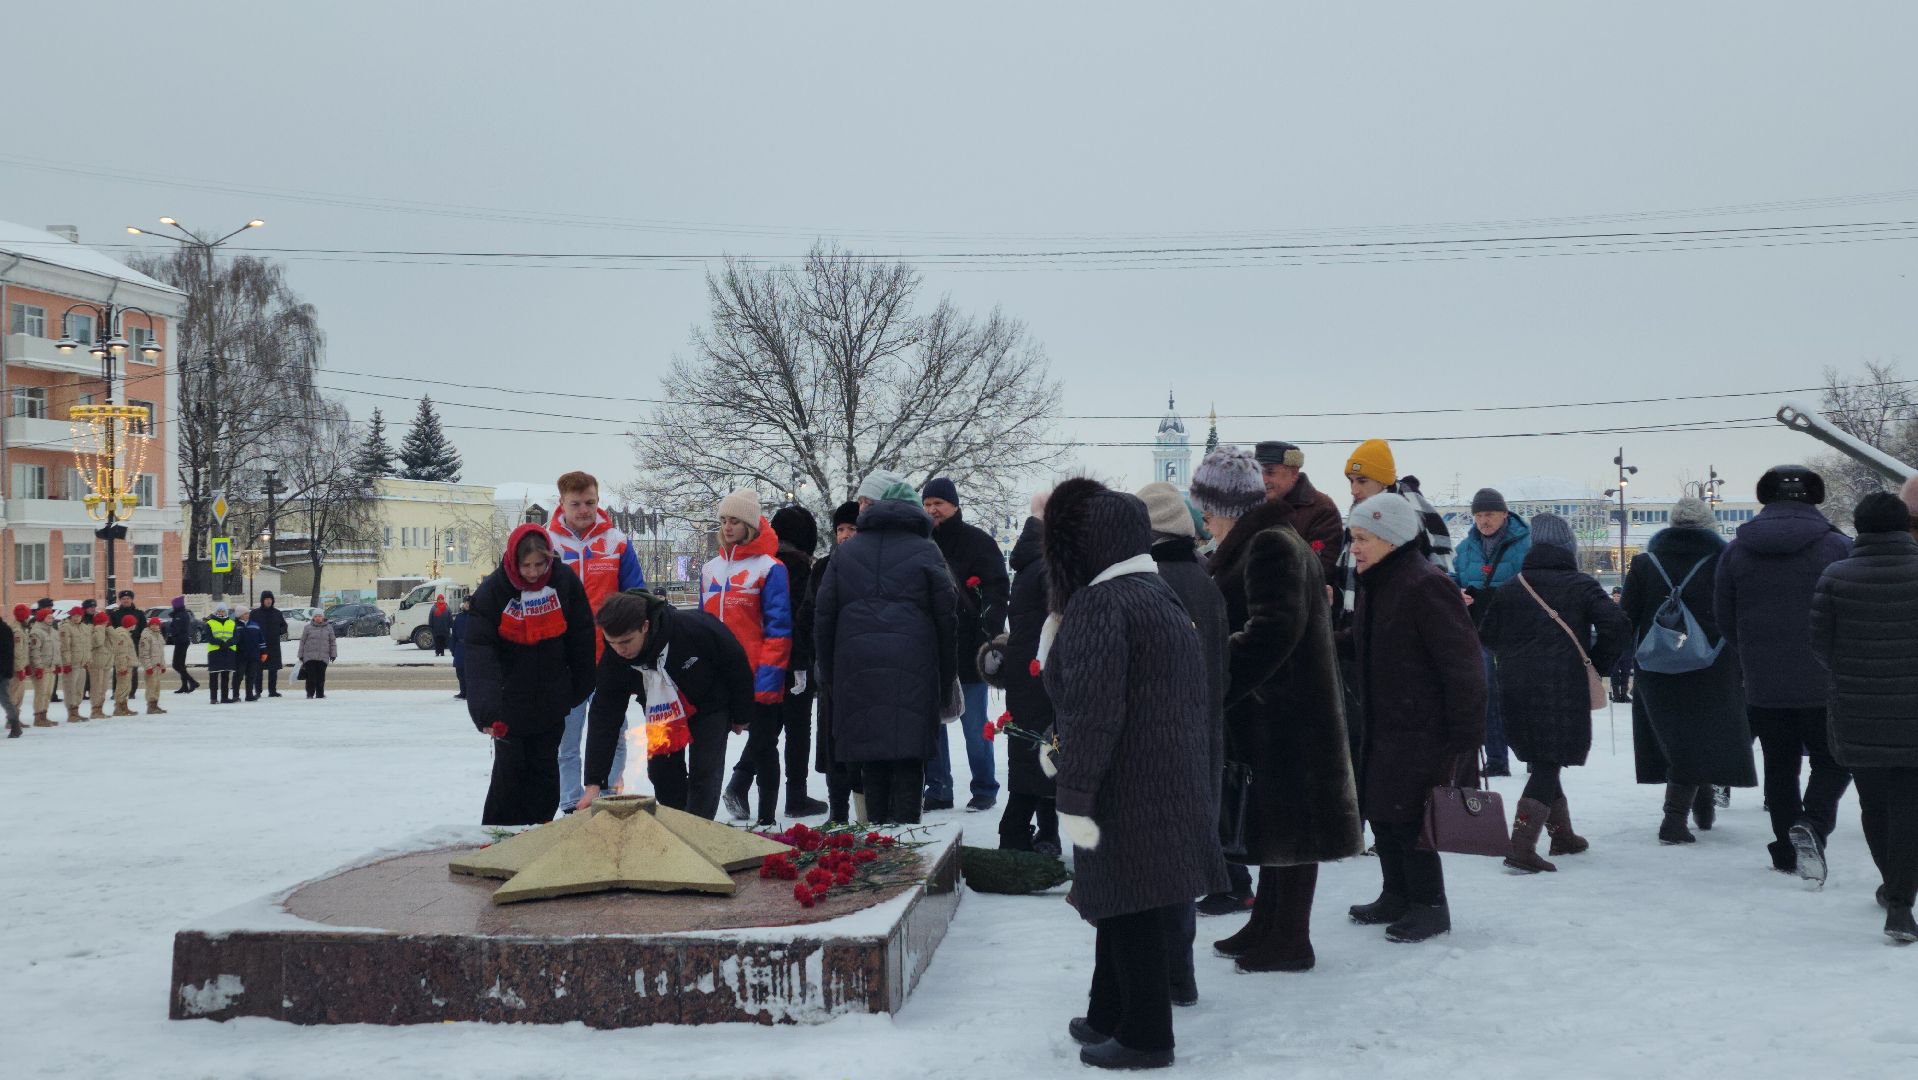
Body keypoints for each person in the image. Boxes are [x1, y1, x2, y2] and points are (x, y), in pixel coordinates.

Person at [1041, 478, 1227, 1071]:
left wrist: (1073, 788)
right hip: (1165, 775)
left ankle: (1146, 1035)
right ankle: (1108, 1011)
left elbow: (1092, 711)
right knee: (1125, 898)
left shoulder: (1102, 603)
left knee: (1132, 908)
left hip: (1126, 780)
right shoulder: (1154, 590)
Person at [1185, 451, 1362, 975]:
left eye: (1207, 506)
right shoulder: (1263, 540)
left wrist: (1215, 674)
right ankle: (1269, 922)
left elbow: (1271, 631)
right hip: (1275, 710)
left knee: (1293, 829)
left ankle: (1291, 939)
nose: (1203, 517)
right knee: (1275, 826)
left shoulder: (1268, 545)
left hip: (1286, 714)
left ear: (1224, 504)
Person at [1345, 492, 1486, 943]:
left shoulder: (1425, 584)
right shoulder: (1380, 582)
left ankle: (1429, 905)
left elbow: (1463, 665)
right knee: (1384, 813)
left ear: (1390, 538)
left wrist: (1463, 738)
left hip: (1425, 730)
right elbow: (1368, 641)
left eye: (1364, 538)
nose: (1355, 548)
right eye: (1353, 538)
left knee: (1412, 820)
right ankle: (1395, 894)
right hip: (1386, 724)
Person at [1714, 464, 1854, 882]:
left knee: (1779, 763)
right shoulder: (1837, 546)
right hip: (1825, 677)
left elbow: (1723, 616)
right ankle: (1812, 825)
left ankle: (1785, 849)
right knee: (1833, 760)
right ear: (1815, 497)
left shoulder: (1736, 551)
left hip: (1763, 681)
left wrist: (1754, 651)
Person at [1477, 513, 1631, 872]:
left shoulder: (1513, 585)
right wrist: (1598, 663)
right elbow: (1618, 625)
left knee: (1545, 757)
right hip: (1563, 685)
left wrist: (1518, 655)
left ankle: (1563, 835)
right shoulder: (1581, 585)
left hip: (1514, 685)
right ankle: (1521, 847)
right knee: (1548, 761)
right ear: (1569, 549)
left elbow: (1486, 636)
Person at [814, 474, 958, 826]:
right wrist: (945, 678)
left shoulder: (845, 554)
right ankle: (907, 855)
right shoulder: (927, 551)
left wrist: (832, 676)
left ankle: (877, 845)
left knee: (871, 764)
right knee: (909, 761)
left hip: (855, 674)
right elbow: (947, 620)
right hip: (914, 671)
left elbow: (823, 618)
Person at [1136, 481, 1233, 998]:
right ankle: (1181, 973)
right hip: (1205, 737)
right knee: (1184, 857)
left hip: (1160, 743)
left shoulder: (1150, 582)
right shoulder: (1204, 579)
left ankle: (1162, 979)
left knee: (1154, 863)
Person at [1812, 492, 1918, 942]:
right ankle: (1899, 899)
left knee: (1874, 804)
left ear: (1859, 527)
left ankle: (1893, 889)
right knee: (1910, 804)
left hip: (1858, 708)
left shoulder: (1836, 575)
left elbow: (1820, 645)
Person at [1624, 498, 1757, 844]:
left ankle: (1700, 805)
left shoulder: (1644, 563)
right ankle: (1675, 819)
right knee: (1705, 733)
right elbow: (1739, 612)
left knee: (1674, 736)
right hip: (1713, 663)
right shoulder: (1723, 561)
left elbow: (1626, 617)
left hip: (1656, 664)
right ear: (1708, 526)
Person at [464, 524, 597, 826]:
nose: (534, 573)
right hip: (508, 706)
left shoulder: (565, 583)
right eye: (527, 565)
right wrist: (486, 709)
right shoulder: (494, 591)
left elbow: (582, 637)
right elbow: (480, 655)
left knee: (545, 773)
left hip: (551, 700)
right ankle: (499, 837)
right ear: (513, 560)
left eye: (541, 564)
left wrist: (579, 687)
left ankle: (538, 833)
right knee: (509, 775)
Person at [580, 589, 756, 816]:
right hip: (661, 712)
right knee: (662, 774)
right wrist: (594, 782)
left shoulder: (692, 628)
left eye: (626, 641)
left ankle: (698, 832)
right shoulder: (614, 660)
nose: (620, 649)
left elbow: (736, 663)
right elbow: (604, 716)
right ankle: (678, 826)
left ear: (645, 626)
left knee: (704, 773)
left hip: (709, 705)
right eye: (611, 642)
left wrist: (742, 715)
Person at [547, 470, 648, 815]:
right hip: (566, 659)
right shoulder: (548, 544)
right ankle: (571, 802)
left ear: (597, 500)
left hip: (610, 656)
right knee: (567, 739)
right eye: (576, 503)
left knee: (613, 731)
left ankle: (607, 795)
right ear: (561, 503)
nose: (584, 510)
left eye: (590, 502)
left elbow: (636, 595)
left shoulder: (616, 542)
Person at [724, 505, 828, 818]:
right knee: (798, 729)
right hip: (792, 659)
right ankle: (796, 795)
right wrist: (800, 663)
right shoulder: (797, 567)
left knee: (768, 727)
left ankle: (740, 782)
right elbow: (797, 620)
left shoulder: (761, 564)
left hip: (763, 660)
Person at [920, 476, 1011, 814]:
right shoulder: (920, 542)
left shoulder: (978, 542)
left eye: (938, 504)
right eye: (927, 505)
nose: (932, 510)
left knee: (975, 727)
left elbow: (997, 590)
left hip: (969, 649)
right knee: (933, 728)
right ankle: (939, 788)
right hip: (931, 651)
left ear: (954, 505)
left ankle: (984, 787)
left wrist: (987, 629)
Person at [705, 489, 793, 828]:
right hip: (716, 678)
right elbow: (702, 626)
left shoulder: (770, 568)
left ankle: (768, 817)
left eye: (736, 521)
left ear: (751, 525)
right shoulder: (710, 569)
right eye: (724, 520)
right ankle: (703, 818)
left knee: (764, 746)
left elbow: (779, 628)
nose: (728, 527)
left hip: (756, 674)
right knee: (709, 752)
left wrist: (768, 681)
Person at [983, 490, 1061, 855]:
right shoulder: (1051, 567)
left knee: (1037, 755)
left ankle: (1041, 834)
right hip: (1042, 676)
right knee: (1041, 755)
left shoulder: (1032, 562)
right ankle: (1020, 836)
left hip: (1028, 675)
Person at [1453, 488, 1531, 776]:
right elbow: (1452, 578)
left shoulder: (1527, 544)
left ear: (1504, 514)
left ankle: (1533, 753)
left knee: (1519, 694)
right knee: (1487, 694)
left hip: (1517, 631)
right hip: (1480, 630)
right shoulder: (1464, 549)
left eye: (1489, 514)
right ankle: (1497, 758)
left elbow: (1535, 582)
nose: (1483, 521)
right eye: (1478, 515)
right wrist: (1457, 592)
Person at [808, 501, 863, 822]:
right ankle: (838, 812)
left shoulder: (871, 567)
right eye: (840, 529)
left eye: (851, 529)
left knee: (860, 747)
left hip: (862, 671)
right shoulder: (822, 567)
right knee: (832, 747)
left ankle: (866, 814)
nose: (844, 535)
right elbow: (808, 616)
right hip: (829, 672)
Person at [1252, 440, 1345, 576]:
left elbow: (1320, 569)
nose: (1263, 480)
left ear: (1294, 474)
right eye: (1258, 472)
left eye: (1270, 472)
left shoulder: (1321, 509)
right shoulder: (1251, 506)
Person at [58, 607, 90, 723]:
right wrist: (66, 663)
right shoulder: (66, 627)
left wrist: (87, 659)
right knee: (70, 688)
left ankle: (76, 710)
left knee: (79, 689)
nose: (77, 618)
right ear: (71, 616)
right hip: (71, 664)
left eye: (79, 616)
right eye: (75, 616)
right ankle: (71, 713)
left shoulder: (84, 627)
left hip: (82, 664)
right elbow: (64, 647)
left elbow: (87, 645)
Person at [29, 606, 60, 725]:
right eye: (48, 617)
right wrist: (38, 667)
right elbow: (34, 651)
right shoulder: (36, 632)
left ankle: (44, 715)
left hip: (51, 667)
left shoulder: (53, 632)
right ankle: (38, 717)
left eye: (52, 617)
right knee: (41, 693)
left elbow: (56, 650)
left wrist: (57, 664)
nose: (51, 619)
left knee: (48, 693)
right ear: (42, 618)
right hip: (41, 668)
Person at [254, 592, 288, 697]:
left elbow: (284, 626)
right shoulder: (255, 613)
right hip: (260, 646)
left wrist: (278, 631)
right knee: (258, 670)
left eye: (270, 599)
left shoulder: (277, 613)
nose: (268, 601)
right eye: (266, 599)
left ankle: (272, 691)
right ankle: (258, 691)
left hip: (274, 645)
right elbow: (250, 626)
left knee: (273, 669)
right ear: (262, 600)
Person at [298, 611, 337, 699]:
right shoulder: (307, 628)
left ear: (323, 617)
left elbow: (332, 642)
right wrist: (300, 655)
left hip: (323, 657)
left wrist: (333, 654)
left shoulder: (329, 628)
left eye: (320, 616)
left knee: (321, 676)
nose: (318, 618)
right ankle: (310, 694)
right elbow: (302, 642)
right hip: (309, 657)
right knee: (311, 677)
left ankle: (320, 694)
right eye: (316, 616)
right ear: (313, 618)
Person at [204, 605, 238, 704]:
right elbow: (209, 637)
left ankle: (224, 697)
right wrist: (220, 643)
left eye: (223, 611)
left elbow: (236, 637)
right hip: (215, 652)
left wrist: (228, 643)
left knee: (225, 676)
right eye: (219, 611)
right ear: (216, 612)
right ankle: (213, 698)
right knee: (213, 676)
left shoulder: (232, 623)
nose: (221, 613)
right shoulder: (210, 623)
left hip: (229, 651)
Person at [107, 614, 139, 717]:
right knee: (122, 686)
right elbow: (121, 653)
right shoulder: (122, 635)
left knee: (126, 686)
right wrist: (122, 667)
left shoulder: (125, 634)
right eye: (134, 623)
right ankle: (119, 707)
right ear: (130, 624)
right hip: (124, 666)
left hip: (128, 664)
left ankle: (124, 706)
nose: (135, 625)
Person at [168, 597, 200, 695]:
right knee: (180, 665)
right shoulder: (180, 614)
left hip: (181, 641)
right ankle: (185, 685)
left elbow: (176, 628)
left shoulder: (180, 615)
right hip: (182, 641)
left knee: (176, 665)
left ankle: (193, 682)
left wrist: (172, 633)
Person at [138, 616, 168, 714]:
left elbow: (161, 653)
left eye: (157, 625)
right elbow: (144, 653)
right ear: (149, 625)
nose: (155, 626)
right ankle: (150, 706)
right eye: (153, 624)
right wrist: (148, 667)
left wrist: (163, 665)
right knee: (151, 686)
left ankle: (155, 704)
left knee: (156, 686)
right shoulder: (146, 636)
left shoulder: (159, 636)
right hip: (151, 666)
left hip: (158, 666)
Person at [235, 608, 266, 702]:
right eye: (245, 614)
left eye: (248, 613)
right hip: (240, 655)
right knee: (238, 676)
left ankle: (249, 695)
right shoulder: (235, 625)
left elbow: (261, 639)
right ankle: (235, 695)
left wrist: (264, 651)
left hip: (254, 654)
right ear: (240, 615)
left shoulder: (255, 625)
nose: (247, 615)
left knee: (251, 675)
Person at [8, 605, 31, 728]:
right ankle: (11, 721)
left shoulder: (22, 629)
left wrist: (26, 665)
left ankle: (15, 718)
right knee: (14, 694)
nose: (28, 618)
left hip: (21, 666)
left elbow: (23, 650)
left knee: (20, 694)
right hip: (16, 668)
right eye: (27, 615)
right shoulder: (16, 630)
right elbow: (17, 652)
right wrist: (19, 668)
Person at [86, 611, 109, 720]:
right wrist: (100, 628)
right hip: (96, 662)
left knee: (103, 687)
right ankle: (95, 710)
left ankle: (100, 709)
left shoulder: (105, 630)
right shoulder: (96, 630)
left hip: (104, 662)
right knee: (96, 687)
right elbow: (98, 642)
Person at [1, 612, 19, 738]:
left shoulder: (4, 630)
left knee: (5, 700)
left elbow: (8, 653)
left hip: (1, 672)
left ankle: (15, 726)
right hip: (4, 671)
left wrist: (6, 671)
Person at [451, 597, 471, 699]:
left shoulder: (475, 617)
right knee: (460, 672)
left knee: (470, 673)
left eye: (469, 603)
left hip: (471, 648)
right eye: (466, 603)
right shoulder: (458, 617)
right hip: (459, 647)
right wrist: (453, 649)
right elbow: (454, 634)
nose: (467, 605)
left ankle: (470, 693)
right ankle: (463, 692)